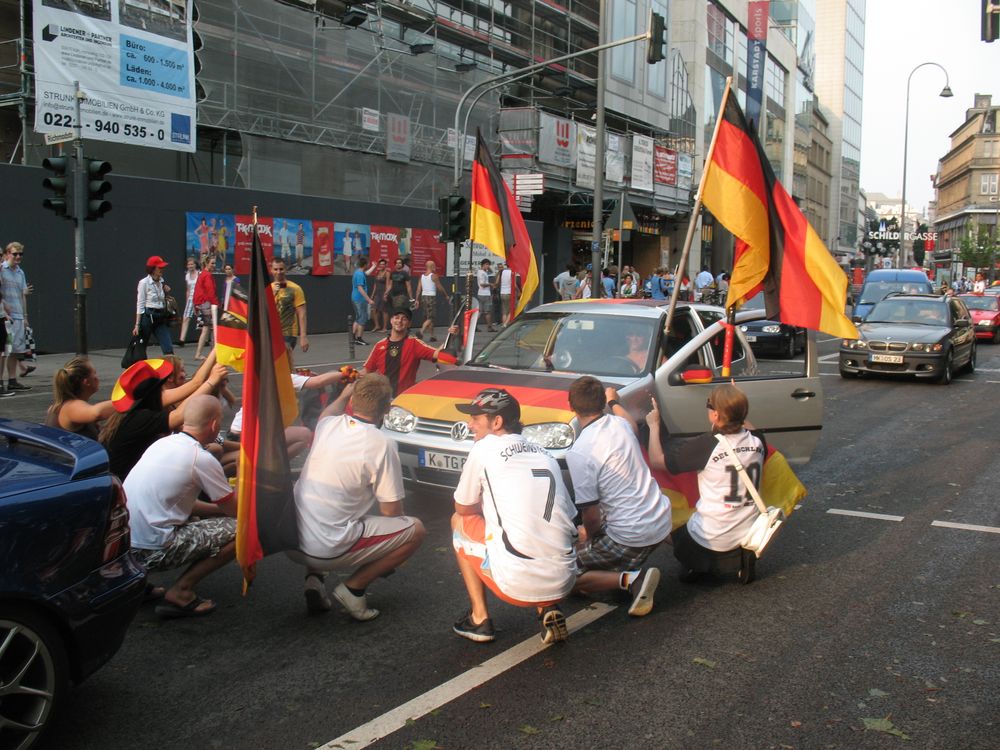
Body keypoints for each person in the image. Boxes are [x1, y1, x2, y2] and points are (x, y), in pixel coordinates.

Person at [287, 373, 425, 619]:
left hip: (290, 540)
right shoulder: (382, 443)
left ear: (352, 401)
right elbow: (390, 511)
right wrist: (390, 546)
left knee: (323, 507)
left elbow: (329, 411)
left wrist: (344, 394)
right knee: (415, 530)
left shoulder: (327, 425)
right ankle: (354, 588)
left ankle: (314, 580)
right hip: (326, 548)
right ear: (387, 408)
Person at [451, 388, 579, 643]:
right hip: (565, 579)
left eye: (476, 418)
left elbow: (463, 508)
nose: (470, 424)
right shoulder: (544, 453)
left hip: (515, 584)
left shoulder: (485, 448)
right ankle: (547, 608)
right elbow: (569, 515)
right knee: (533, 523)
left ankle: (479, 619)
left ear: (496, 422)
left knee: (459, 523)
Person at [124, 395, 237, 618]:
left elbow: (175, 501)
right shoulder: (200, 457)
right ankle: (181, 591)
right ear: (214, 424)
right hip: (153, 550)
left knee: (194, 519)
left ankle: (136, 585)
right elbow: (235, 510)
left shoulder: (162, 443)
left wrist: (214, 511)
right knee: (245, 530)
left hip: (125, 548)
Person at [564, 377, 667, 616]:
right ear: (602, 403)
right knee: (591, 536)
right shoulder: (619, 424)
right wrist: (614, 401)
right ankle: (619, 570)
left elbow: (590, 515)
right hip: (661, 520)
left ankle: (633, 580)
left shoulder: (580, 451)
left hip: (631, 536)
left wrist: (589, 539)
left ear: (571, 406)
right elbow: (631, 423)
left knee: (562, 573)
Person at [646, 383, 766, 583]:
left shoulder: (707, 445)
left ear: (716, 415)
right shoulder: (757, 440)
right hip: (749, 531)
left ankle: (696, 562)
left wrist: (653, 425)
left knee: (658, 522)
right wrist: (735, 402)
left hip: (711, 536)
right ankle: (740, 560)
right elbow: (746, 425)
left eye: (709, 404)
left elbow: (656, 460)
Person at [100, 356, 227, 480]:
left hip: (135, 473)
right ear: (155, 391)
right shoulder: (138, 418)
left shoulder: (138, 404)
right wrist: (211, 381)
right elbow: (179, 415)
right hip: (126, 480)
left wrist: (216, 351)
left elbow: (196, 383)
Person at [362, 307, 457, 397]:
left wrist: (451, 336)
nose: (399, 321)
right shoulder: (379, 345)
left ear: (409, 324)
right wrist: (350, 375)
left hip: (403, 399)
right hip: (381, 398)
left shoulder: (414, 344)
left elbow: (438, 354)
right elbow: (367, 370)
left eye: (404, 319)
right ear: (391, 320)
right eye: (397, 318)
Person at [45, 357, 114, 439]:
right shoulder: (71, 407)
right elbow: (98, 413)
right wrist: (127, 400)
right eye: (94, 373)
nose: (97, 378)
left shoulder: (62, 405)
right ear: (86, 382)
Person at [1, 242, 32, 394]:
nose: (18, 257)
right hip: (6, 316)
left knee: (15, 350)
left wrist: (25, 316)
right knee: (5, 350)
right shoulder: (2, 269)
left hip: (18, 315)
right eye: (15, 254)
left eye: (20, 254)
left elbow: (22, 295)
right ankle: (2, 382)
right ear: (7, 254)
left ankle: (12, 380)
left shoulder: (20, 272)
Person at [133, 255, 174, 356]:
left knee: (168, 347)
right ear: (153, 269)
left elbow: (161, 300)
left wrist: (165, 291)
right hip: (148, 316)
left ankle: (171, 369)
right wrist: (137, 325)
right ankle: (139, 368)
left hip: (160, 316)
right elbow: (140, 304)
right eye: (159, 268)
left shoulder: (161, 281)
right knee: (141, 347)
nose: (162, 270)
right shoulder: (144, 283)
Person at [270, 257, 309, 353]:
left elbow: (302, 313)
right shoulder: (268, 289)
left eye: (281, 269)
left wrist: (303, 336)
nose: (278, 272)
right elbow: (263, 310)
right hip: (270, 333)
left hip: (288, 333)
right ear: (271, 270)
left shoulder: (295, 288)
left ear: (286, 269)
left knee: (284, 361)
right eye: (276, 269)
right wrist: (273, 293)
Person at [417, 260, 451, 341]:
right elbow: (440, 287)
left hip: (423, 297)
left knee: (427, 317)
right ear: (431, 267)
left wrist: (417, 299)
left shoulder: (422, 276)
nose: (435, 267)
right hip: (431, 298)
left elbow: (418, 289)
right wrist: (446, 295)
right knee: (431, 317)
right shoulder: (433, 276)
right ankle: (421, 331)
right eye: (434, 265)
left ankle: (432, 336)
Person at [193, 256, 219, 361]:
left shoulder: (202, 274)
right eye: (212, 263)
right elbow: (210, 292)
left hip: (201, 304)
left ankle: (201, 353)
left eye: (214, 263)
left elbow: (197, 291)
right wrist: (215, 304)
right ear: (207, 263)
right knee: (210, 329)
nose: (214, 265)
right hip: (207, 305)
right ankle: (210, 353)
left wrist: (196, 305)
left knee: (207, 329)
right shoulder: (207, 275)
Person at [350, 256, 374, 346]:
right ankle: (359, 338)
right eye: (368, 264)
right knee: (362, 319)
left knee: (358, 317)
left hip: (356, 298)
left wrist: (374, 266)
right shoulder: (360, 274)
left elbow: (367, 273)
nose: (368, 265)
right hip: (360, 299)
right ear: (365, 265)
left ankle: (353, 337)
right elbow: (360, 288)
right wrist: (369, 300)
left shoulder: (358, 272)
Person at [178, 257, 199, 346]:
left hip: (199, 298)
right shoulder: (187, 276)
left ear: (195, 265)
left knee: (201, 319)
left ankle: (204, 339)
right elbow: (188, 289)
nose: (190, 266)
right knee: (186, 317)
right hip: (191, 299)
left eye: (192, 264)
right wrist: (187, 300)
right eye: (189, 264)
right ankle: (182, 340)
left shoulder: (200, 274)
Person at [476, 259, 496, 332]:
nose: (488, 266)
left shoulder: (481, 272)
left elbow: (491, 271)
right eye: (487, 265)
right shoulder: (482, 273)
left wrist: (487, 268)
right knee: (487, 311)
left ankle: (474, 326)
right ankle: (489, 327)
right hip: (485, 294)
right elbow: (482, 284)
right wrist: (491, 284)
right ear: (483, 264)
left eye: (489, 265)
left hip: (480, 293)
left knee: (480, 311)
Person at [372, 258, 390, 331]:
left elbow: (388, 284)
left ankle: (385, 327)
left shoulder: (387, 273)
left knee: (384, 310)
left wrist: (386, 294)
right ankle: (377, 326)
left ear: (385, 265)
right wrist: (372, 295)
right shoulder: (377, 272)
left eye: (383, 264)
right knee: (374, 310)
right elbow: (375, 285)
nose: (382, 265)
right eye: (380, 264)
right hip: (377, 294)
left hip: (383, 293)